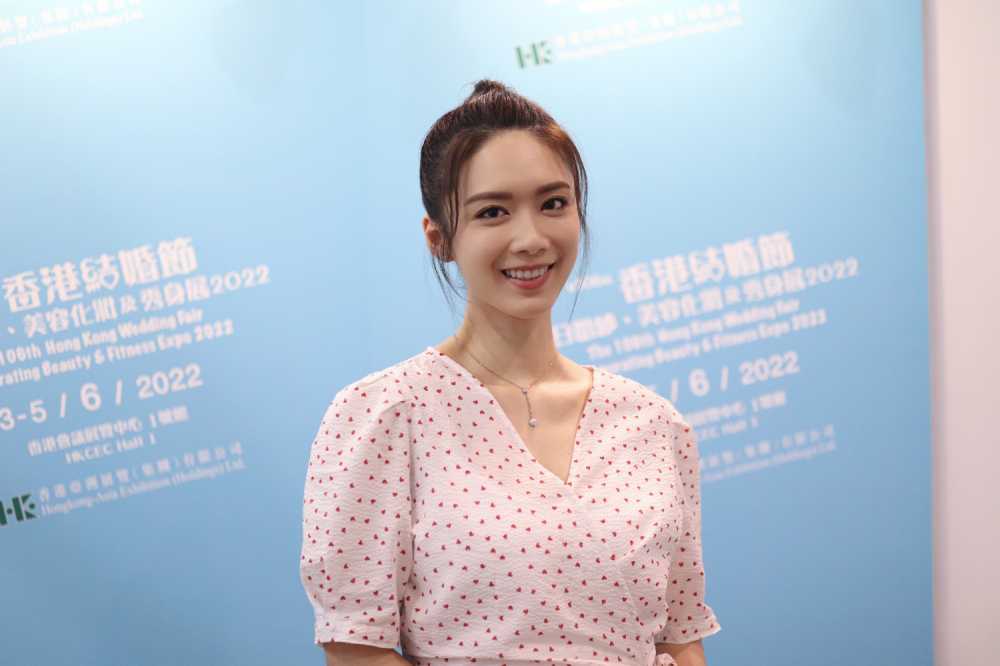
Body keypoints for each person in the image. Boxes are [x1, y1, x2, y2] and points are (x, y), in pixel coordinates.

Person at [299, 79, 721, 666]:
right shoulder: (384, 415)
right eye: (492, 212)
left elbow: (679, 637)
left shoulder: (654, 423)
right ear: (439, 238)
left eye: (553, 204)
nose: (531, 239)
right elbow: (356, 651)